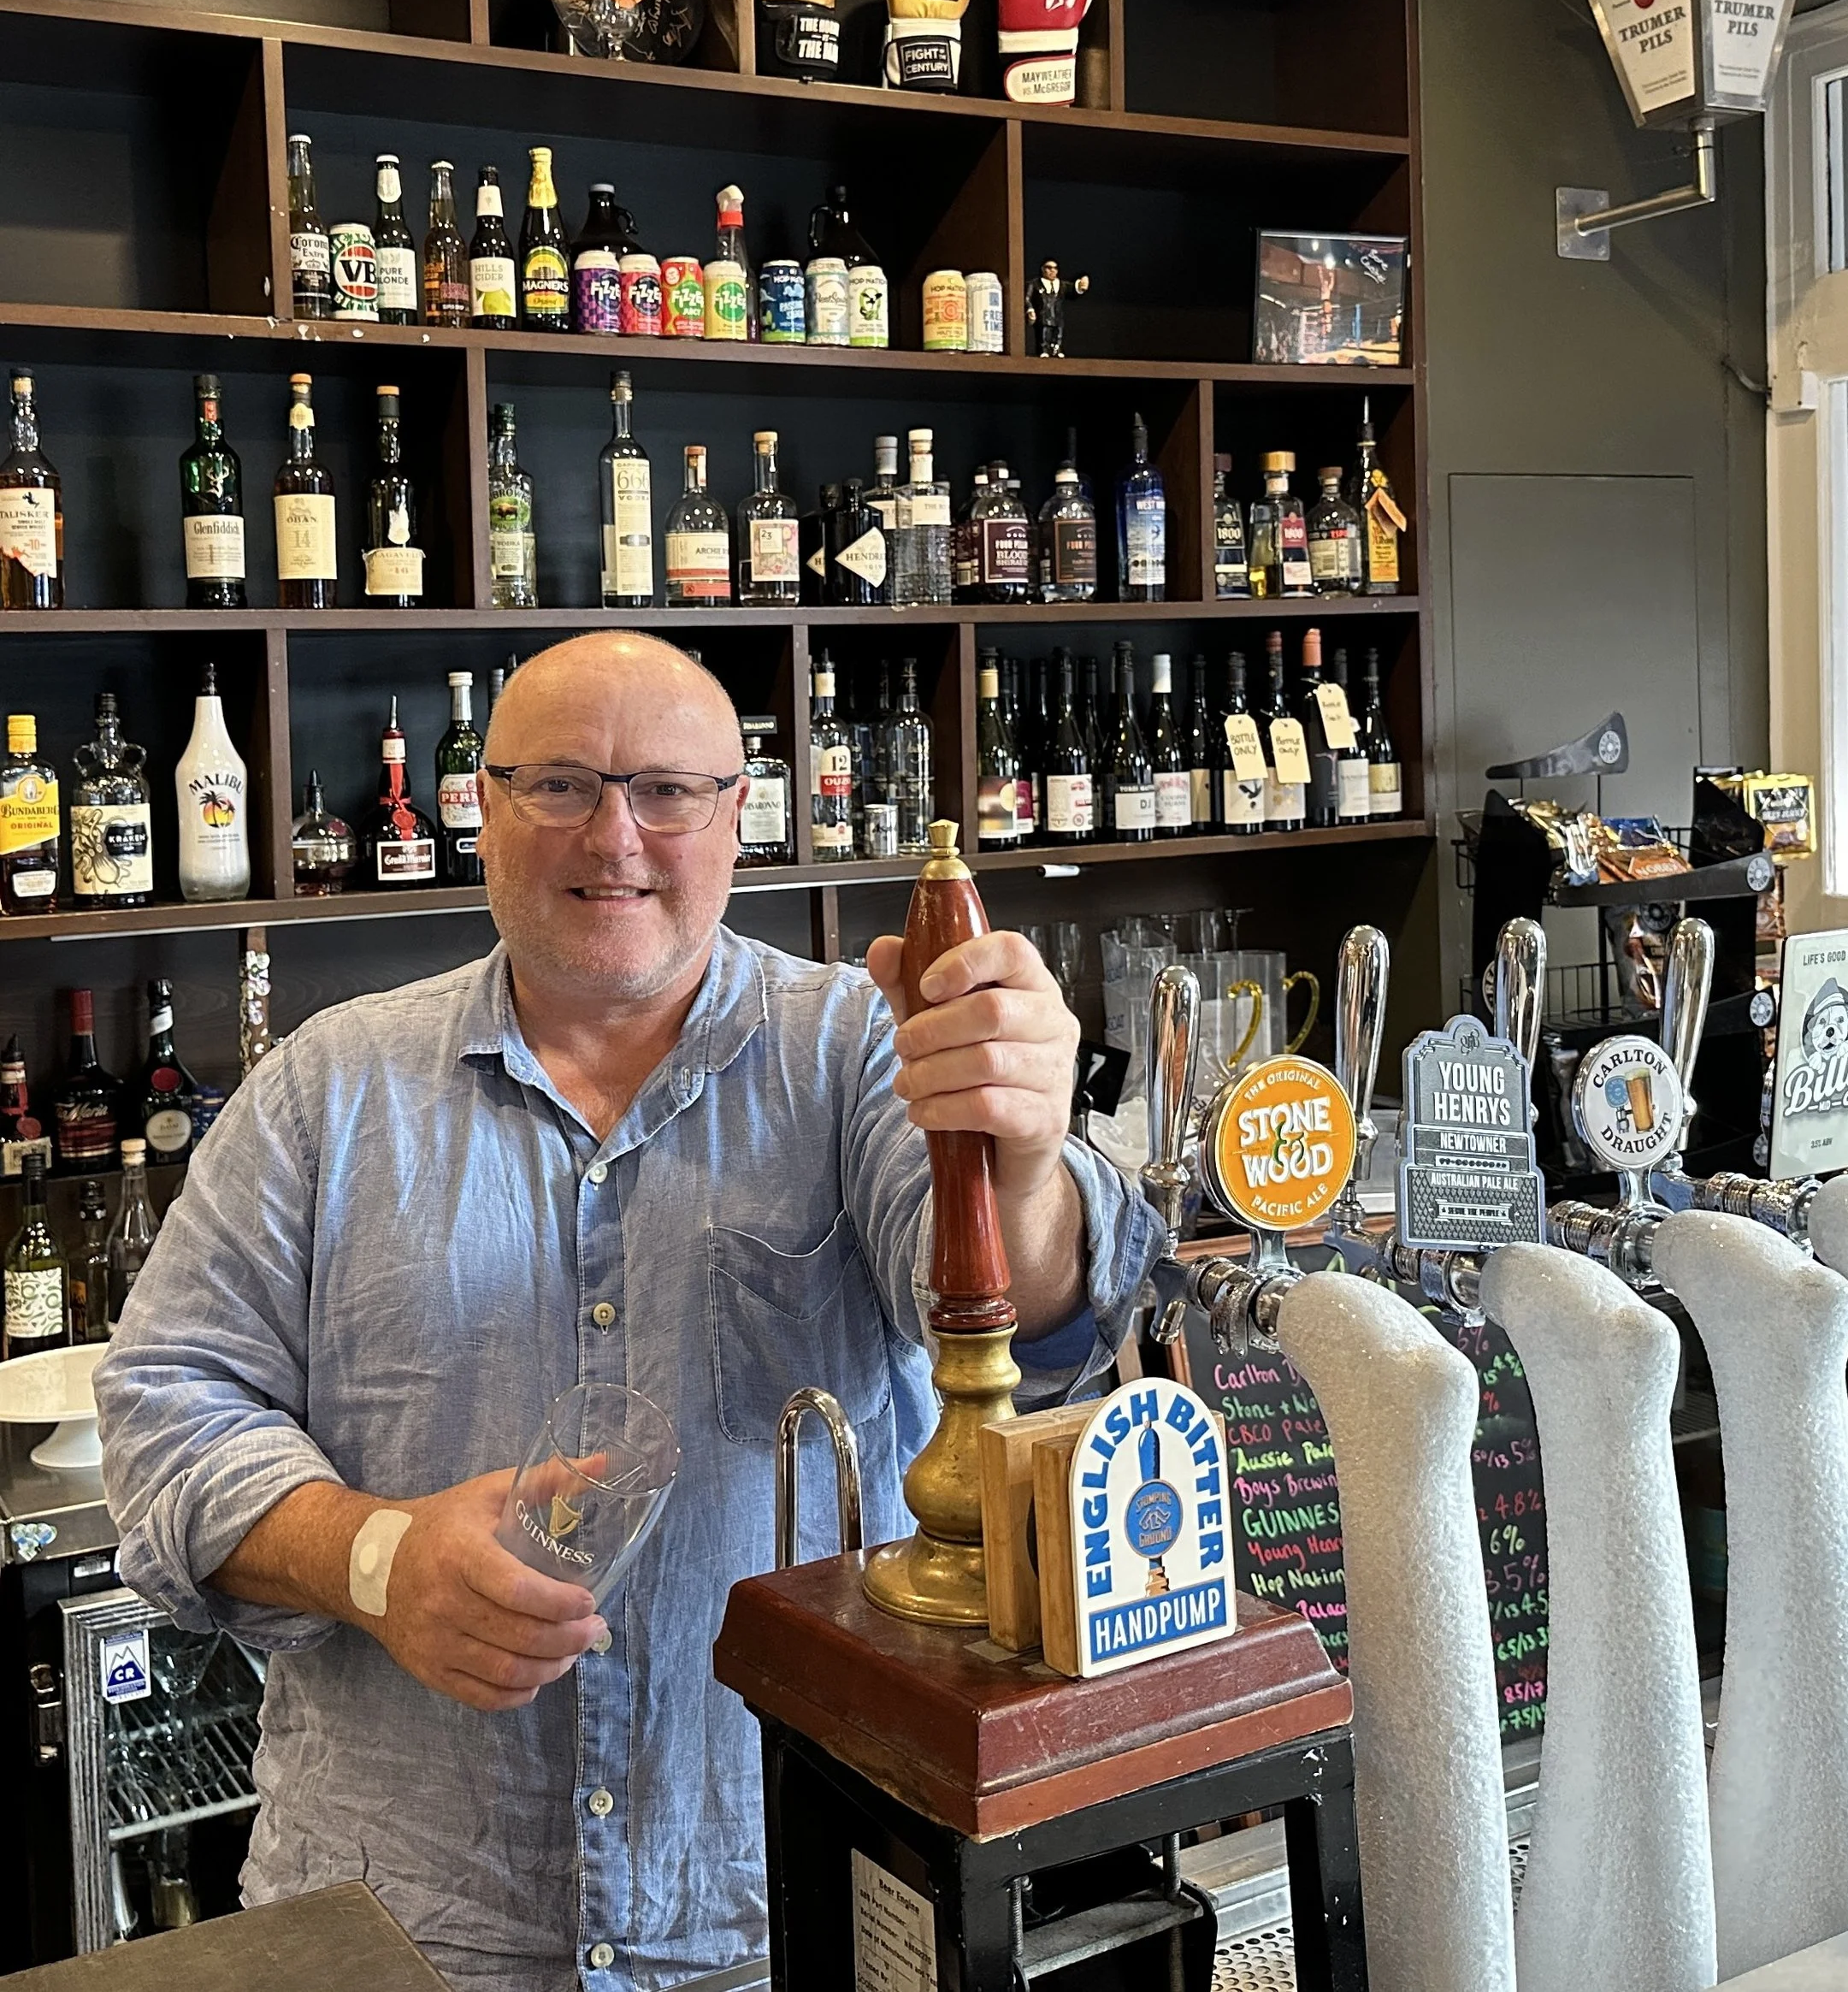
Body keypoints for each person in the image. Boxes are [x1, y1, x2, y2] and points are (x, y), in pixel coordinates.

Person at [96, 632, 1159, 1992]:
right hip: (398, 1929)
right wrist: (377, 1562)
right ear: (480, 808)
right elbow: (166, 1403)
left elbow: (1033, 1319)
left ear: (737, 813)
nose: (617, 835)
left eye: (668, 790)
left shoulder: (851, 1052)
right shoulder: (327, 1091)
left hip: (787, 1910)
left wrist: (1012, 1153)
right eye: (559, 784)